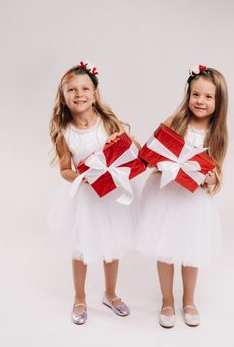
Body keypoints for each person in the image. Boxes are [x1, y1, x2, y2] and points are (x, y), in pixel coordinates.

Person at [134, 65, 229, 328]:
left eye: (208, 97)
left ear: (219, 101)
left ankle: (189, 301)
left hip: (193, 201)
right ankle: (166, 300)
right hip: (167, 195)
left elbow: (216, 172)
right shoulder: (175, 121)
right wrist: (147, 157)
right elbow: (152, 155)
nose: (200, 101)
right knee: (164, 250)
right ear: (188, 95)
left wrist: (210, 177)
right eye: (196, 94)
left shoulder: (217, 132)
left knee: (191, 251)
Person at [49, 61, 137, 325]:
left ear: (95, 93)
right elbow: (65, 169)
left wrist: (120, 142)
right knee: (81, 248)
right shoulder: (65, 133)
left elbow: (132, 149)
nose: (79, 94)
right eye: (72, 90)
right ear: (63, 98)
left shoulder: (108, 123)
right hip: (85, 198)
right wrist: (80, 178)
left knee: (113, 245)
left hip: (109, 195)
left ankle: (110, 294)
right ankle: (79, 297)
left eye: (85, 88)